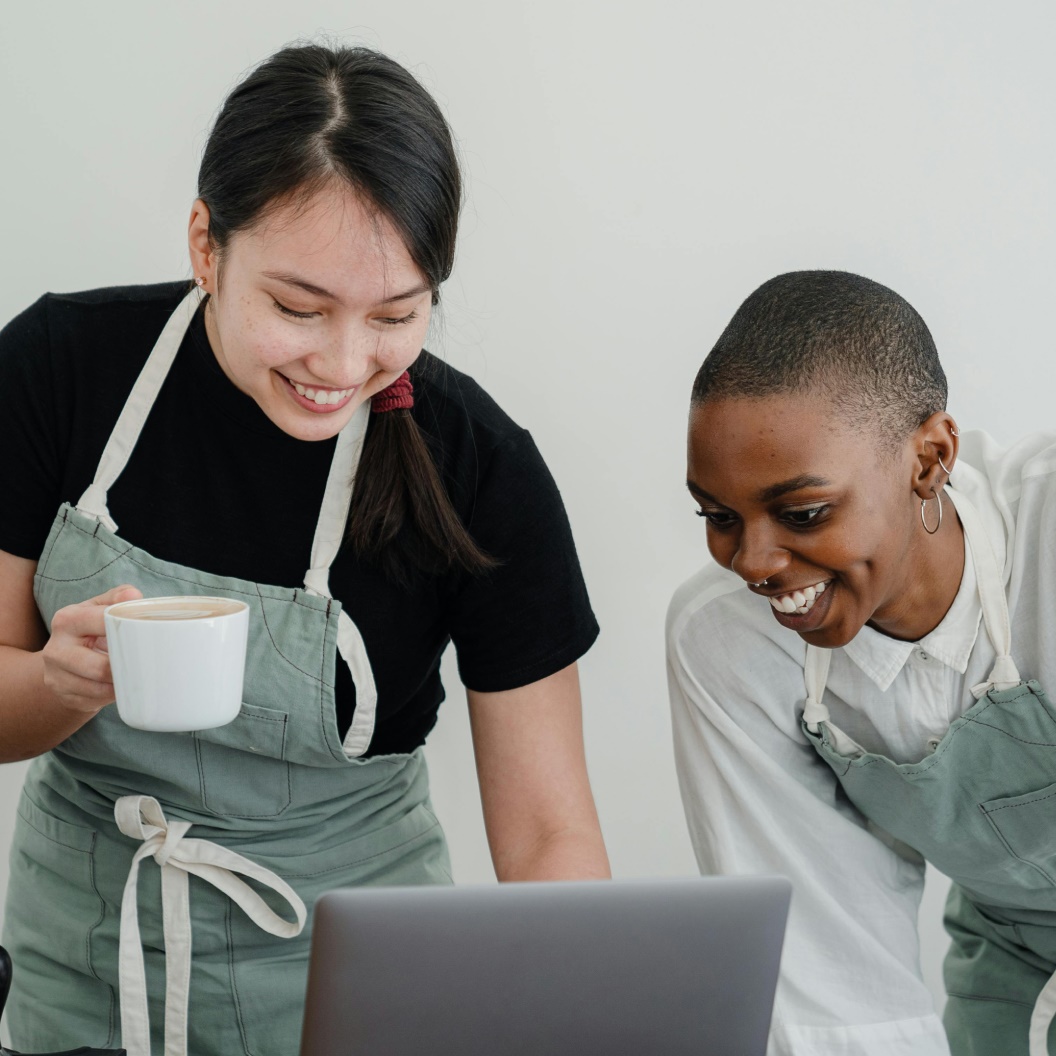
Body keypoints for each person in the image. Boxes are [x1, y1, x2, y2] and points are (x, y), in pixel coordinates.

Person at [0, 43, 609, 1056]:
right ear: (206, 244)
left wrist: (575, 1013)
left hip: (363, 988)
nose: (341, 363)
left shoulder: (480, 470)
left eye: (396, 317)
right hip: (90, 962)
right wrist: (62, 683)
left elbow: (549, 832)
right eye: (297, 308)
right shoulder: (55, 372)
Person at [667, 270, 1056, 1056]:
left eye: (803, 513)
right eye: (718, 517)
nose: (754, 562)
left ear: (930, 458)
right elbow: (830, 985)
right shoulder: (728, 643)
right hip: (1014, 963)